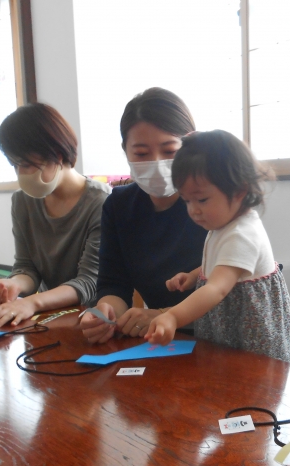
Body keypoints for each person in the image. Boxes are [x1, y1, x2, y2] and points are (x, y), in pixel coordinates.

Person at [145, 130, 290, 363]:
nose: (193, 210)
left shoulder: (242, 233)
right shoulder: (222, 224)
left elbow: (217, 288)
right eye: (187, 200)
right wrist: (193, 276)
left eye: (202, 199)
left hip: (252, 335)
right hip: (229, 324)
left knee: (255, 374)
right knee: (224, 367)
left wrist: (173, 316)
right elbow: (224, 265)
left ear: (239, 191)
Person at [79, 88, 206, 344]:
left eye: (169, 151)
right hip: (161, 341)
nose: (156, 163)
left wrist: (164, 315)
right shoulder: (119, 206)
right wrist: (105, 314)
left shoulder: (214, 202)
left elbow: (229, 290)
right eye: (141, 154)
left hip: (220, 340)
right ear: (125, 151)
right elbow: (113, 283)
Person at [0, 103, 110, 328]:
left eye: (26, 164)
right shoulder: (22, 202)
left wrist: (31, 303)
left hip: (93, 320)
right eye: (14, 165)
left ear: (56, 155)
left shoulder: (101, 202)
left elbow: (89, 282)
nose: (20, 174)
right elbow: (26, 267)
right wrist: (13, 286)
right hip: (49, 316)